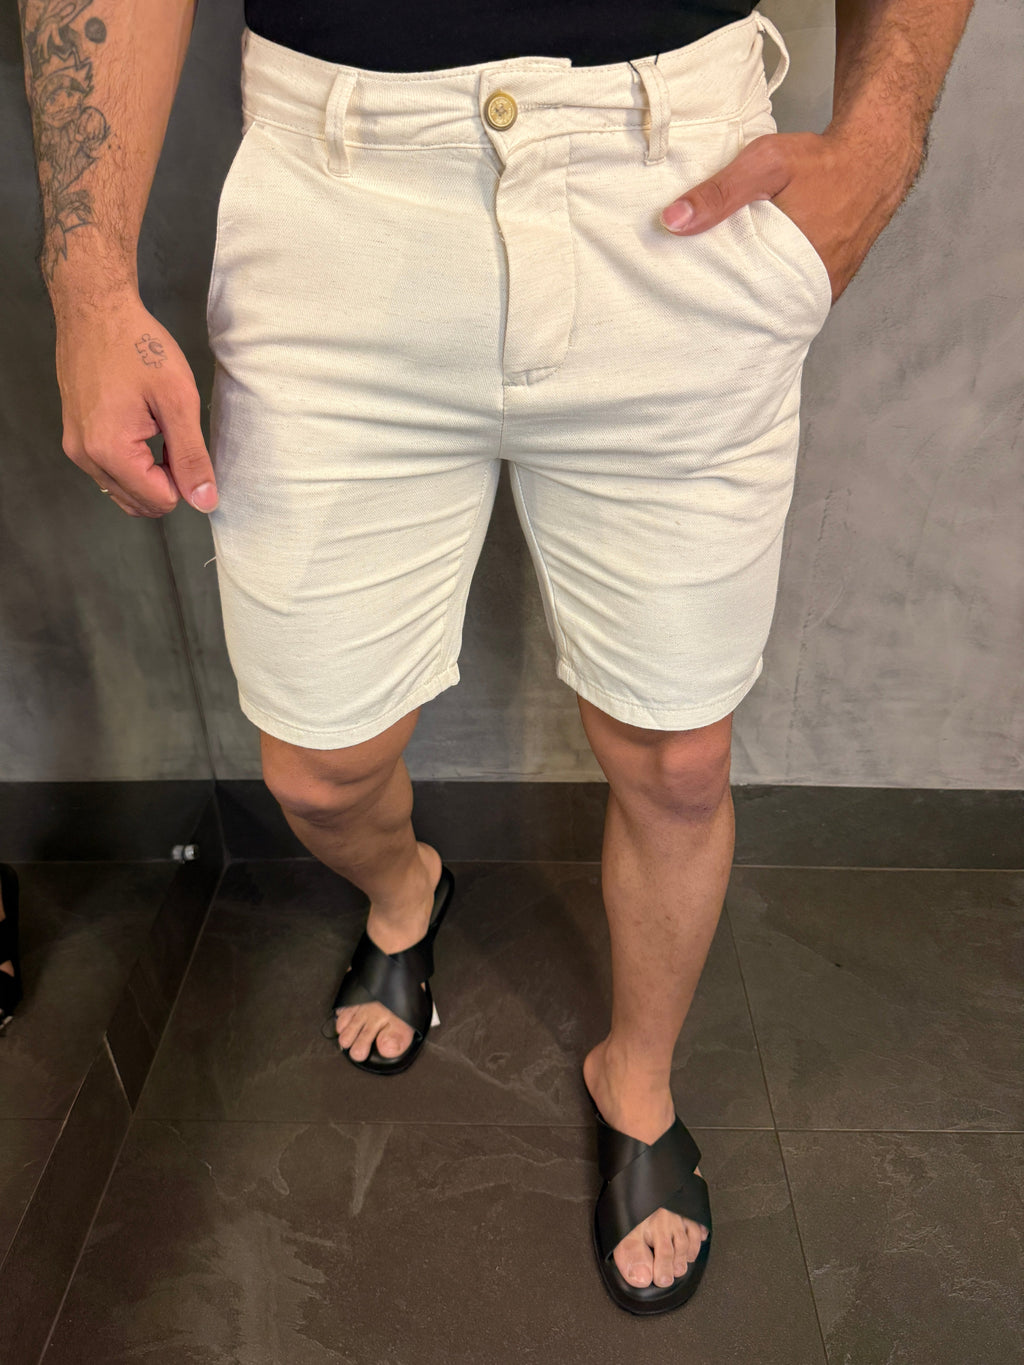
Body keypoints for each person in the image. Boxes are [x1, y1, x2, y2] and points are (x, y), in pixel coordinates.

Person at [18, 0, 975, 1317]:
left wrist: (879, 144)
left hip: (673, 182)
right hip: (336, 199)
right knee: (317, 766)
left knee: (678, 756)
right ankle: (406, 888)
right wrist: (88, 282)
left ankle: (637, 1077)